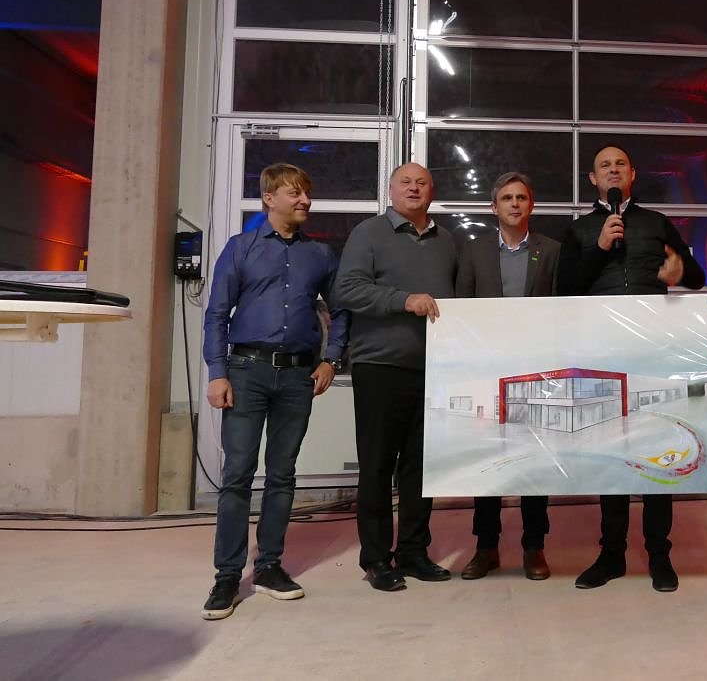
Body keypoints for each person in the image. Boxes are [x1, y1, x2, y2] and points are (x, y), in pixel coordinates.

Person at [201, 162, 349, 621]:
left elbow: (342, 310)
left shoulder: (319, 255)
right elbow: (216, 313)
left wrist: (331, 359)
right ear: (269, 198)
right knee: (237, 475)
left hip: (297, 378)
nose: (305, 200)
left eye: (306, 193)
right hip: (245, 372)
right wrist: (217, 372)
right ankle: (227, 577)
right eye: (294, 193)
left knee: (283, 474)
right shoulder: (241, 248)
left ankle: (268, 567)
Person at [556, 145, 706, 592]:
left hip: (654, 353)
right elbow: (564, 290)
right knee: (612, 453)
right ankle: (612, 553)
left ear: (632, 174)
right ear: (593, 179)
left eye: (619, 164)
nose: (613, 171)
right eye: (605, 166)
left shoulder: (657, 223)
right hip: (602, 355)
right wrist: (600, 248)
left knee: (658, 448)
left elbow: (696, 276)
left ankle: (659, 553)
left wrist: (680, 272)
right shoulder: (580, 230)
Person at [335, 162, 456, 592]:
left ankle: (413, 552)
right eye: (406, 182)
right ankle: (376, 559)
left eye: (422, 183)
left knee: (421, 468)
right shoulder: (368, 234)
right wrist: (403, 300)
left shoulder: (447, 241)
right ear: (390, 190)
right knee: (377, 466)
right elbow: (346, 289)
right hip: (381, 366)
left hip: (434, 369)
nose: (414, 188)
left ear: (431, 192)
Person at [455, 172, 560, 581]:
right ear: (493, 206)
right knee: (489, 460)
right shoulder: (474, 251)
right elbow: (462, 308)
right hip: (487, 371)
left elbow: (563, 309)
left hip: (536, 373)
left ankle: (534, 547)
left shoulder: (551, 251)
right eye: (506, 198)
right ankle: (486, 548)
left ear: (531, 205)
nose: (514, 204)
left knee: (535, 462)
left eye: (521, 198)